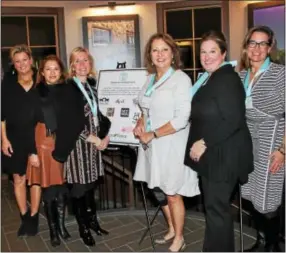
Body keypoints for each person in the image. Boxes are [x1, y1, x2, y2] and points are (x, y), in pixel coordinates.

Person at [184, 30, 254, 252]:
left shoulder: (226, 79)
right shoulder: (211, 78)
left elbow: (233, 120)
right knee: (216, 211)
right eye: (203, 52)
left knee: (217, 212)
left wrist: (202, 142)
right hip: (216, 156)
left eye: (212, 51)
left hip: (223, 158)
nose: (207, 56)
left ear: (223, 53)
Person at [133, 33, 200, 252]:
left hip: (171, 144)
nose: (160, 54)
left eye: (164, 50)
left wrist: (153, 133)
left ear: (173, 54)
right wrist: (140, 123)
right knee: (159, 190)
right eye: (155, 50)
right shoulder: (150, 79)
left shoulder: (181, 79)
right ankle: (171, 227)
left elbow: (181, 119)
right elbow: (145, 107)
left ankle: (179, 237)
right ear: (150, 56)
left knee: (172, 193)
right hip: (151, 147)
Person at [239, 25, 285, 252]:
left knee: (268, 199)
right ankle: (262, 240)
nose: (257, 48)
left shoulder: (280, 73)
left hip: (273, 138)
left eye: (263, 43)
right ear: (246, 47)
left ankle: (274, 244)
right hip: (249, 140)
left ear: (269, 48)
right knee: (251, 194)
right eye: (252, 43)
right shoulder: (240, 76)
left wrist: (283, 150)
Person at [26, 55, 77, 247]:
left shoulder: (68, 91)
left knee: (62, 189)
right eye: (48, 69)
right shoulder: (35, 92)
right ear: (42, 72)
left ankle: (62, 226)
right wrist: (31, 152)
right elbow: (26, 126)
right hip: (42, 144)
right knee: (48, 190)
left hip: (63, 142)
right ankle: (53, 231)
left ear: (61, 71)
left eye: (56, 68)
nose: (52, 72)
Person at [65, 47, 110, 247]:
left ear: (90, 64)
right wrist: (94, 139)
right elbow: (70, 122)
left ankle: (93, 222)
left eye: (85, 60)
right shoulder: (68, 88)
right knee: (79, 190)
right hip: (77, 147)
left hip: (93, 147)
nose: (82, 64)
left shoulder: (92, 85)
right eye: (77, 61)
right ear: (72, 66)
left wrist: (105, 136)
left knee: (90, 187)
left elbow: (97, 116)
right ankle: (83, 227)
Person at [1, 45, 41, 237]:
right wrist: (4, 139)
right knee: (18, 178)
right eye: (17, 61)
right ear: (13, 64)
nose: (22, 64)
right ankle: (24, 217)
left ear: (30, 60)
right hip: (14, 138)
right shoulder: (8, 82)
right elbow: (2, 114)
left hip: (37, 137)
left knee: (35, 179)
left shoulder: (41, 80)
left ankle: (34, 216)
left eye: (25, 59)